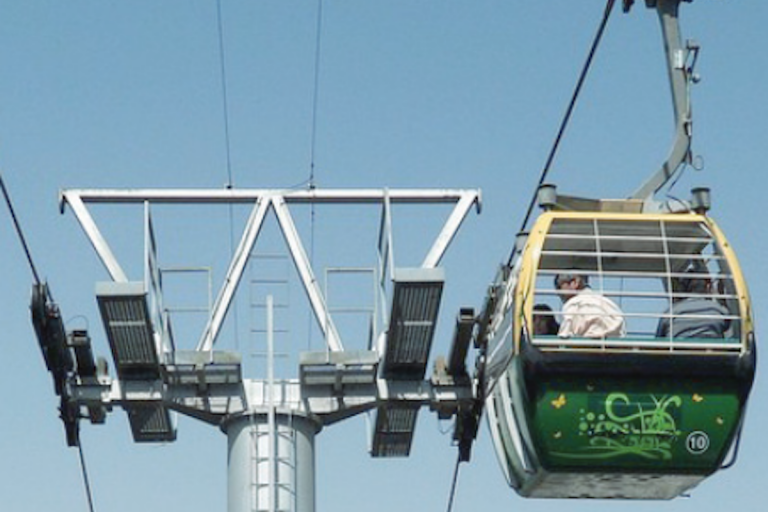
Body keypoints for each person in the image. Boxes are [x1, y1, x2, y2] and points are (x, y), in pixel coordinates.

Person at [656, 271, 730, 339]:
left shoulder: (670, 312)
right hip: (711, 352)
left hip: (679, 352)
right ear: (707, 287)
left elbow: (659, 340)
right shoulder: (718, 310)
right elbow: (728, 325)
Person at [555, 273, 626, 338]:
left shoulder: (574, 303)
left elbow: (564, 335)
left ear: (574, 283)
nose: (559, 293)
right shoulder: (609, 303)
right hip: (615, 349)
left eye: (559, 287)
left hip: (585, 348)